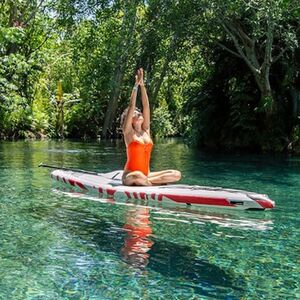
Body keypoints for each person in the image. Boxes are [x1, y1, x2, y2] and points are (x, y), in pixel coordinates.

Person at [121, 68, 181, 186]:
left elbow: (146, 106)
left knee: (176, 174)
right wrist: (135, 86)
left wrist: (142, 85)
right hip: (130, 175)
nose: (139, 113)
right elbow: (132, 105)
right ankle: (152, 184)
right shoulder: (128, 132)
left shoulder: (146, 130)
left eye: (139, 112)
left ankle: (147, 182)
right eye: (135, 113)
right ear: (130, 120)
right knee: (138, 175)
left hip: (147, 174)